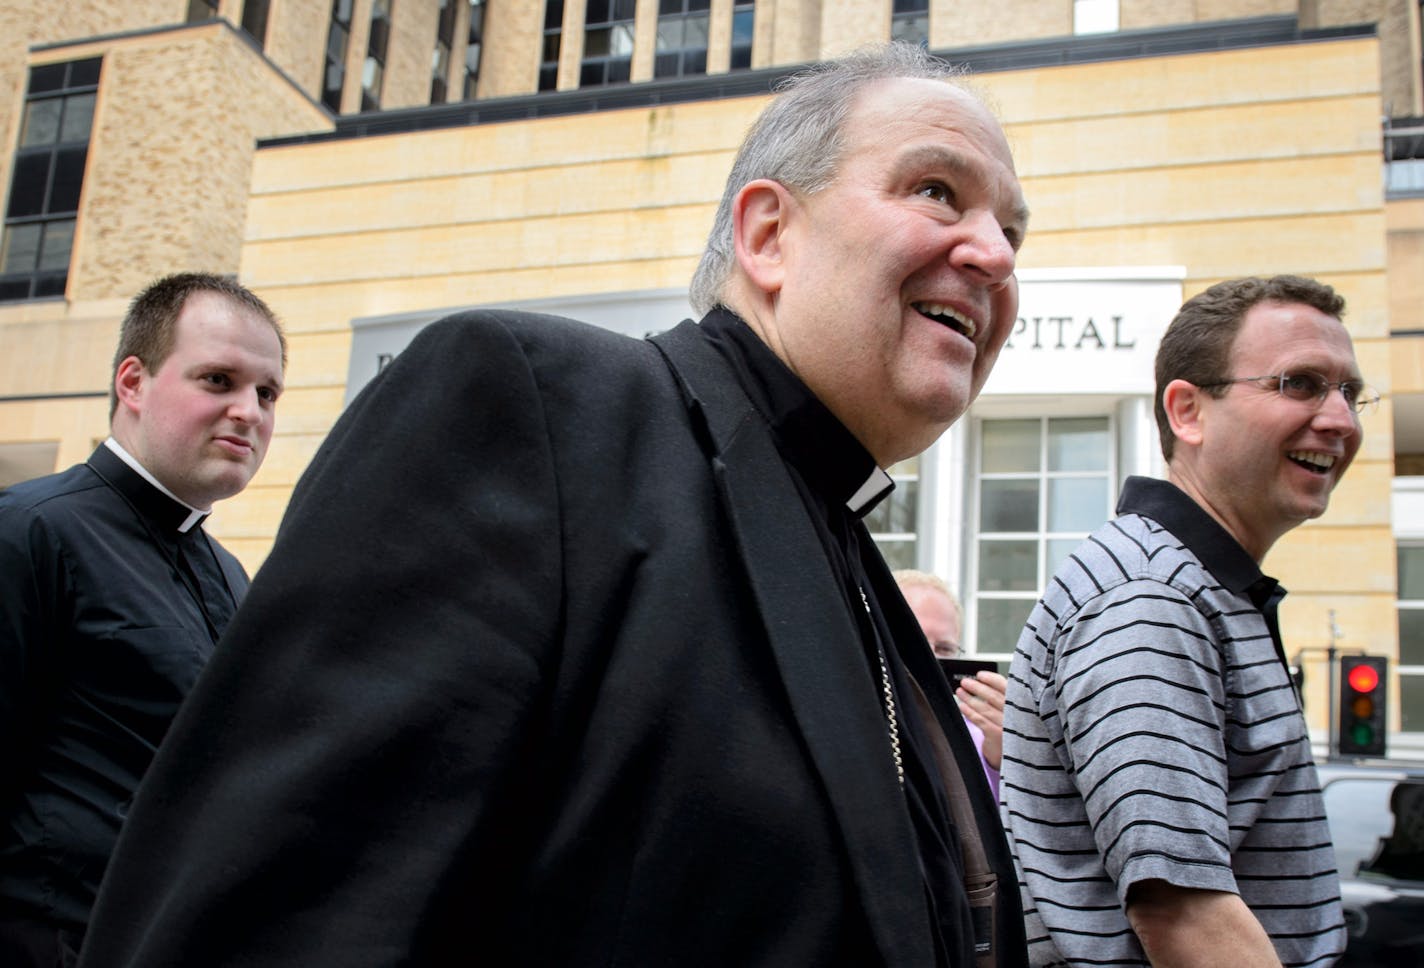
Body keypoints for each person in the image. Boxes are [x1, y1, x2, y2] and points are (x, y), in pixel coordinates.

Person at [79, 44, 1031, 967]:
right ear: (769, 236)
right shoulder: (528, 406)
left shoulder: (852, 557)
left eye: (1013, 231)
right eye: (937, 191)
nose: (992, 254)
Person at [1000, 275, 1360, 967]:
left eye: (1349, 391)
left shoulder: (1188, 586)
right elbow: (1182, 914)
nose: (1341, 420)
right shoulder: (1149, 597)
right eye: (1302, 384)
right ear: (1188, 411)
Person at [0, 272, 286, 966]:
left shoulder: (233, 576)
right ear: (133, 383)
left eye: (267, 392)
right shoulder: (28, 532)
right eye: (218, 380)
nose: (249, 411)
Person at [894, 569, 1007, 794]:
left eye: (945, 649)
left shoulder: (981, 733)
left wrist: (1005, 760)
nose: (931, 659)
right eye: (915, 642)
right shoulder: (851, 717)